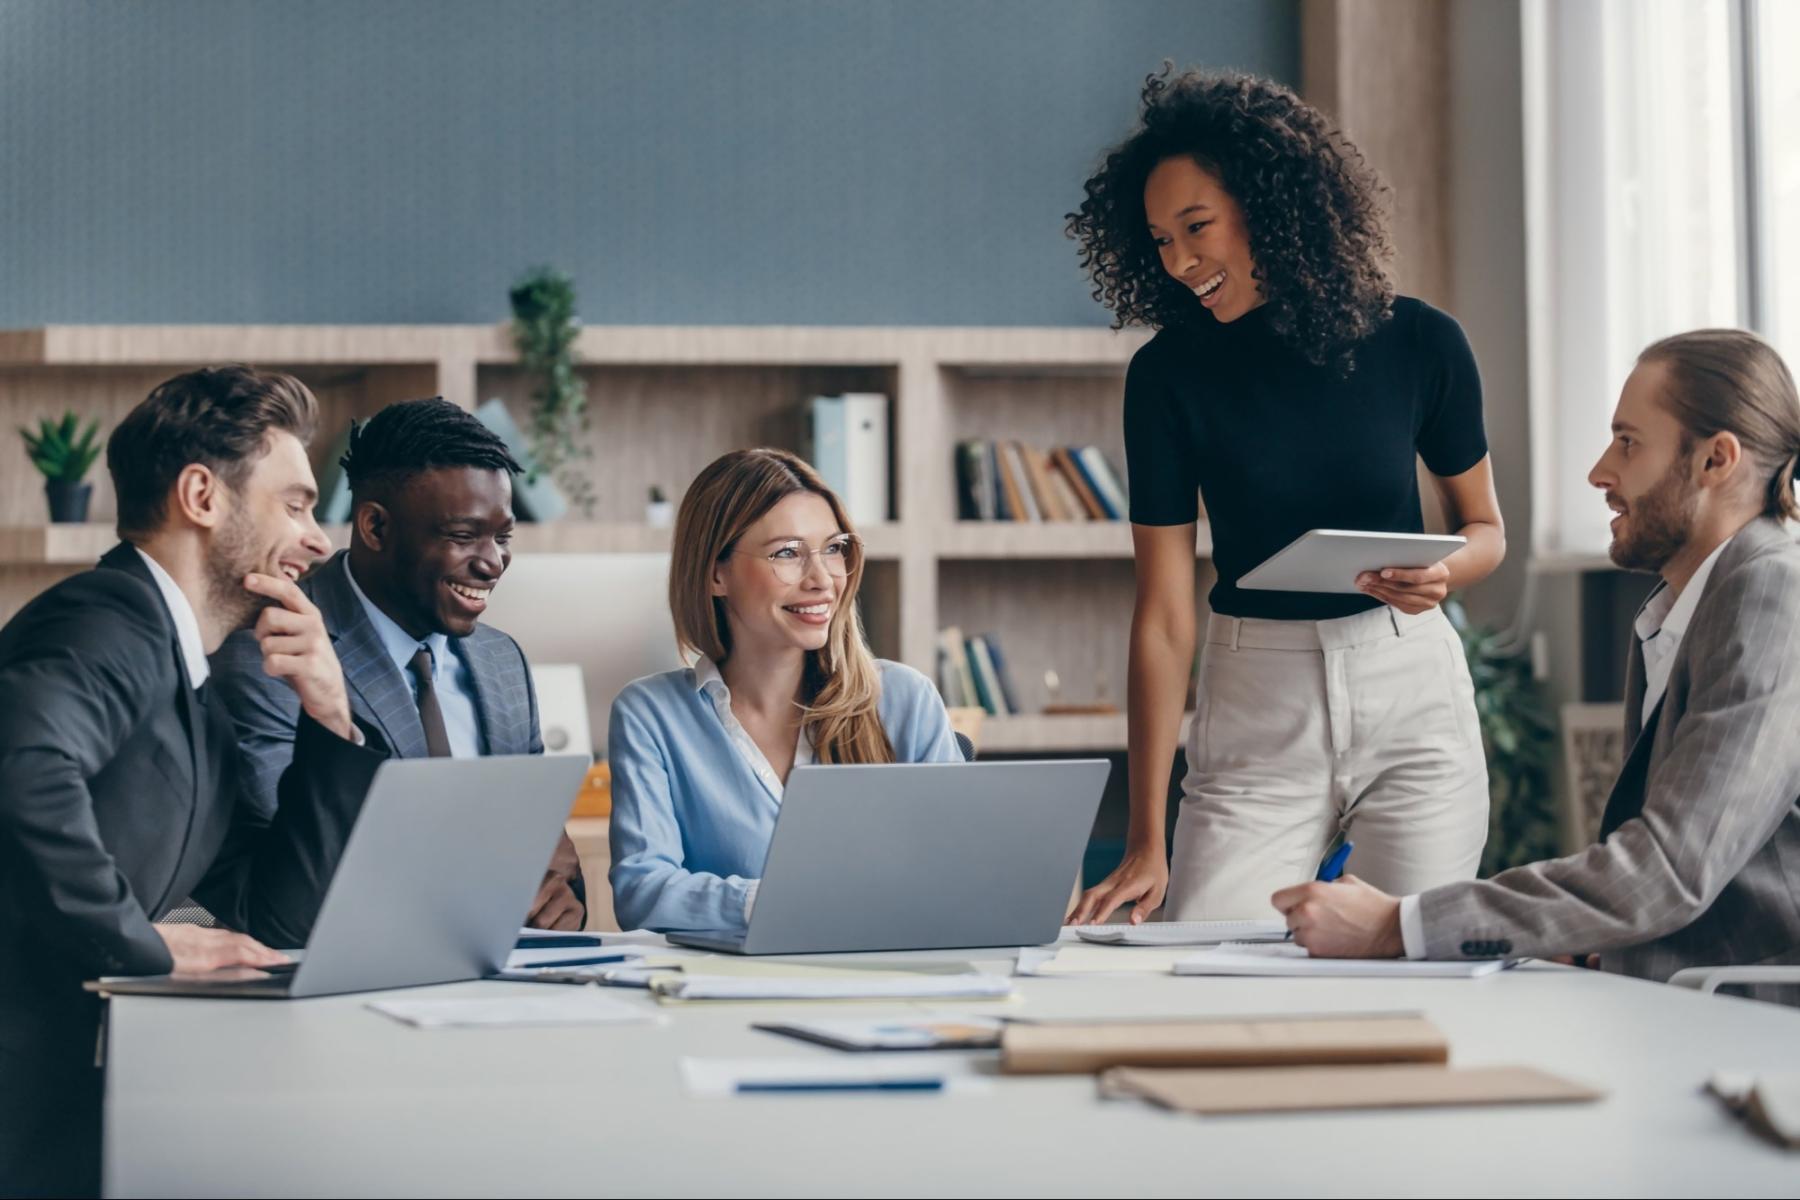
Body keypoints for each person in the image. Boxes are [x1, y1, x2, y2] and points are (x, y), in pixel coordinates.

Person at [1065, 68, 1506, 927]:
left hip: (1411, 686)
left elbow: (1483, 529)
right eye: (1159, 240)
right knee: (1207, 957)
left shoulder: (1421, 341)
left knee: (1405, 961)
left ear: (1273, 204)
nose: (1180, 262)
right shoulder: (1167, 376)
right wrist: (1145, 838)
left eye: (1197, 227)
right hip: (1256, 699)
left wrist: (1447, 576)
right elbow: (1162, 614)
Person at [1274, 330, 1800, 1002]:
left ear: (1715, 460)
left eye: (1628, 442)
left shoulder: (1771, 595)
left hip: (1752, 1016)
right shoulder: (1688, 605)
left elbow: (1669, 869)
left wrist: (1398, 924)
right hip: (1675, 988)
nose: (1599, 472)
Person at [0, 366, 389, 1197]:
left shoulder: (196, 691)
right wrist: (137, 940)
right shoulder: (106, 618)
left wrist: (330, 719)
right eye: (295, 503)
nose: (320, 539)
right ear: (202, 496)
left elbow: (272, 914)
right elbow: (22, 770)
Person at [212, 397, 585, 932]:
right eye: (463, 536)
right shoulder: (273, 652)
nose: (493, 562)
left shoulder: (502, 661)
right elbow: (290, 880)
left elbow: (551, 858)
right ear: (375, 527)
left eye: (502, 537)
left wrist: (562, 902)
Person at [607, 448, 960, 934]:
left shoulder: (905, 699)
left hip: (883, 986)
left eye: (834, 548)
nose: (822, 580)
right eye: (787, 553)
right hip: (725, 995)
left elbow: (958, 878)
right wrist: (789, 899)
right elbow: (642, 894)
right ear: (716, 573)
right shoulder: (651, 714)